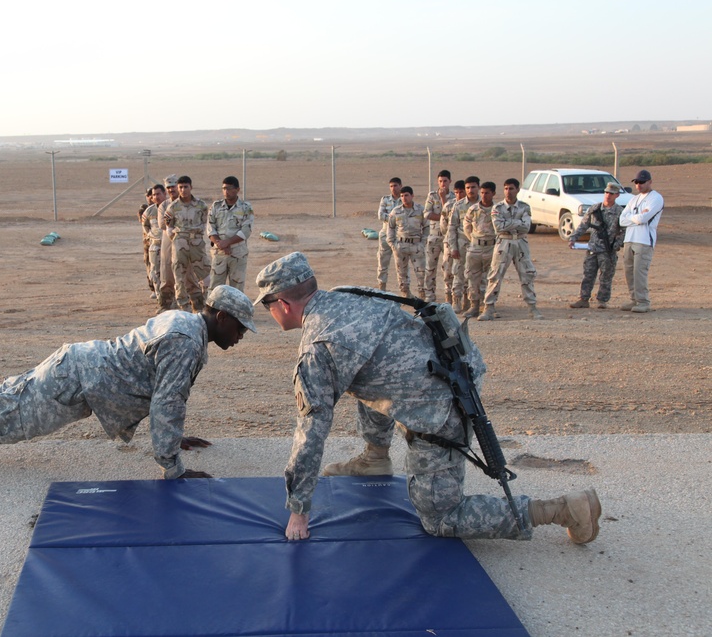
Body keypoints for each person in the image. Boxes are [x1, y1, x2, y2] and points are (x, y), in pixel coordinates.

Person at [253, 252, 602, 545]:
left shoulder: (319, 349)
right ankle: (375, 458)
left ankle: (561, 509)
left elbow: (310, 432)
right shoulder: (349, 294)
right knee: (361, 378)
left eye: (266, 305)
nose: (268, 312)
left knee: (440, 518)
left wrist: (299, 509)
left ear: (282, 303)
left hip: (440, 412)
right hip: (453, 370)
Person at [0, 286, 256, 479]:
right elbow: (167, 403)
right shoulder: (187, 342)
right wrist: (174, 467)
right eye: (240, 328)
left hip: (75, 368)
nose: (240, 338)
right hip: (76, 384)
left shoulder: (183, 321)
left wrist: (175, 435)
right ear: (221, 317)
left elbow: (160, 393)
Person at [480, 178, 543, 321]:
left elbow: (526, 227)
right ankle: (489, 308)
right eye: (506, 188)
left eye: (511, 189)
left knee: (527, 274)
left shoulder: (524, 207)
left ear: (518, 190)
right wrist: (517, 223)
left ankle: (532, 308)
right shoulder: (498, 208)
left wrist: (509, 223)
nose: (508, 192)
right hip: (503, 242)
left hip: (520, 242)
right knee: (495, 275)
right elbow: (498, 227)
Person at [569, 182, 625, 309]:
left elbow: (623, 231)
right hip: (593, 248)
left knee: (606, 275)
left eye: (611, 193)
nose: (608, 195)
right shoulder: (595, 209)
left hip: (608, 250)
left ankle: (602, 300)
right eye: (606, 192)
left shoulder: (620, 212)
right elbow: (584, 225)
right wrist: (573, 238)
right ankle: (583, 299)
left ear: (617, 195)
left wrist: (616, 244)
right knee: (588, 274)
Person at [619, 170, 664, 313]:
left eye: (642, 182)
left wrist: (632, 217)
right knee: (629, 272)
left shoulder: (655, 198)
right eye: (636, 182)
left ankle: (643, 301)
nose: (638, 185)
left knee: (639, 272)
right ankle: (634, 299)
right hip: (629, 239)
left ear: (650, 182)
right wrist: (636, 217)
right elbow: (621, 219)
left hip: (644, 240)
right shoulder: (633, 199)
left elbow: (643, 219)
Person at [164, 175, 211, 312]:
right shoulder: (172, 207)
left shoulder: (201, 205)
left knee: (205, 273)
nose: (183, 190)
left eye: (186, 187)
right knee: (179, 274)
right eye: (180, 187)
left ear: (191, 187)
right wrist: (179, 239)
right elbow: (169, 228)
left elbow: (204, 224)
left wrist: (195, 236)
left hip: (197, 243)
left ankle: (207, 304)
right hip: (180, 243)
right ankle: (184, 306)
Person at [208, 176, 254, 292]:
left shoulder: (245, 208)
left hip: (238, 254)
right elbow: (210, 227)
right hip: (219, 253)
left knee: (236, 288)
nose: (226, 192)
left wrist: (227, 242)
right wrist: (220, 243)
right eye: (223, 189)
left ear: (237, 189)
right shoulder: (216, 206)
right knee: (215, 287)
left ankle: (235, 310)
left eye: (229, 188)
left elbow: (246, 231)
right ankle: (213, 310)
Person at [386, 186, 428, 299]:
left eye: (406, 195)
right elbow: (390, 228)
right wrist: (392, 244)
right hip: (401, 245)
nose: (404, 198)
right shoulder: (396, 211)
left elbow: (427, 227)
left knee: (421, 272)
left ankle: (422, 293)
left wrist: (423, 243)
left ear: (412, 196)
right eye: (402, 196)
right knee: (402, 272)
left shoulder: (420, 210)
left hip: (416, 245)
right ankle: (405, 294)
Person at [461, 181, 496, 318]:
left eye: (487, 193)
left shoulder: (497, 209)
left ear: (493, 193)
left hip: (491, 247)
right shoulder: (473, 209)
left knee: (491, 279)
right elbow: (466, 226)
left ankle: (488, 306)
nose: (484, 195)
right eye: (482, 193)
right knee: (472, 277)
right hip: (475, 247)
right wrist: (474, 239)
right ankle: (474, 306)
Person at [447, 176, 479, 313]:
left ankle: (472, 301)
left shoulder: (484, 204)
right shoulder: (458, 206)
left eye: (473, 187)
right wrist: (453, 247)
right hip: (461, 243)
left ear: (478, 187)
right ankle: (456, 301)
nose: (470, 190)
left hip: (478, 245)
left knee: (476, 275)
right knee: (458, 273)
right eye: (468, 188)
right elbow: (451, 228)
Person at [422, 170, 452, 302]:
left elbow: (453, 217)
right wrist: (443, 218)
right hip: (434, 236)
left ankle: (449, 294)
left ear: (450, 181)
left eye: (445, 181)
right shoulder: (432, 195)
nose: (442, 184)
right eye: (440, 181)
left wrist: (444, 199)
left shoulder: (454, 197)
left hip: (447, 237)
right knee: (430, 267)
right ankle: (429, 294)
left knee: (448, 268)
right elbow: (427, 214)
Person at [156, 175, 180, 311]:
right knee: (167, 275)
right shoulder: (164, 206)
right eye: (169, 187)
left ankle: (184, 302)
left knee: (185, 275)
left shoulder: (186, 203)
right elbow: (162, 224)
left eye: (173, 186)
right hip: (168, 243)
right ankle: (165, 305)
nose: (171, 189)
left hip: (184, 244)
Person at [441, 180, 466, 305]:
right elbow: (444, 226)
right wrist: (451, 240)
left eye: (461, 192)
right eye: (456, 192)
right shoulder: (449, 206)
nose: (458, 195)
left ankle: (465, 298)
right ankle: (448, 297)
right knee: (448, 270)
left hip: (465, 243)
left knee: (463, 271)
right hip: (449, 242)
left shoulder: (470, 206)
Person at [142, 184, 167, 304]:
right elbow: (145, 224)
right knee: (155, 273)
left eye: (158, 194)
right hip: (155, 245)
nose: (156, 197)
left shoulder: (171, 207)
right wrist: (150, 235)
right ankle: (160, 299)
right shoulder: (150, 211)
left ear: (164, 194)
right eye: (153, 195)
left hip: (169, 245)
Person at [376, 177, 403, 290]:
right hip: (385, 235)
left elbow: (407, 217)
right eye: (391, 186)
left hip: (399, 236)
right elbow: (380, 215)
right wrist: (395, 219)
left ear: (400, 186)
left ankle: (403, 289)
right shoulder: (385, 200)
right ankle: (382, 288)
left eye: (395, 186)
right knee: (383, 263)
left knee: (401, 264)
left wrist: (391, 218)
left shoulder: (404, 199)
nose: (393, 188)